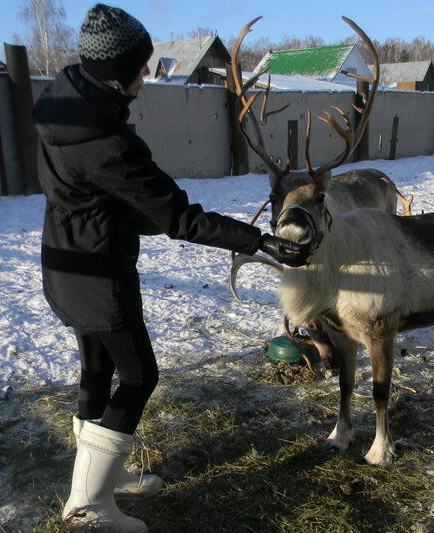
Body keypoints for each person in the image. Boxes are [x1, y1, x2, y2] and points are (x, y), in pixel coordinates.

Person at [32, 4, 309, 531]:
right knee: (139, 374)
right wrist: (260, 242)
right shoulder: (106, 143)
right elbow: (179, 217)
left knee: (98, 369)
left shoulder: (63, 98)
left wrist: (137, 213)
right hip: (98, 275)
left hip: (65, 260)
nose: (146, 76)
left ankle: (103, 477)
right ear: (118, 72)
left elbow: (114, 200)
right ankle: (88, 508)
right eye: (140, 67)